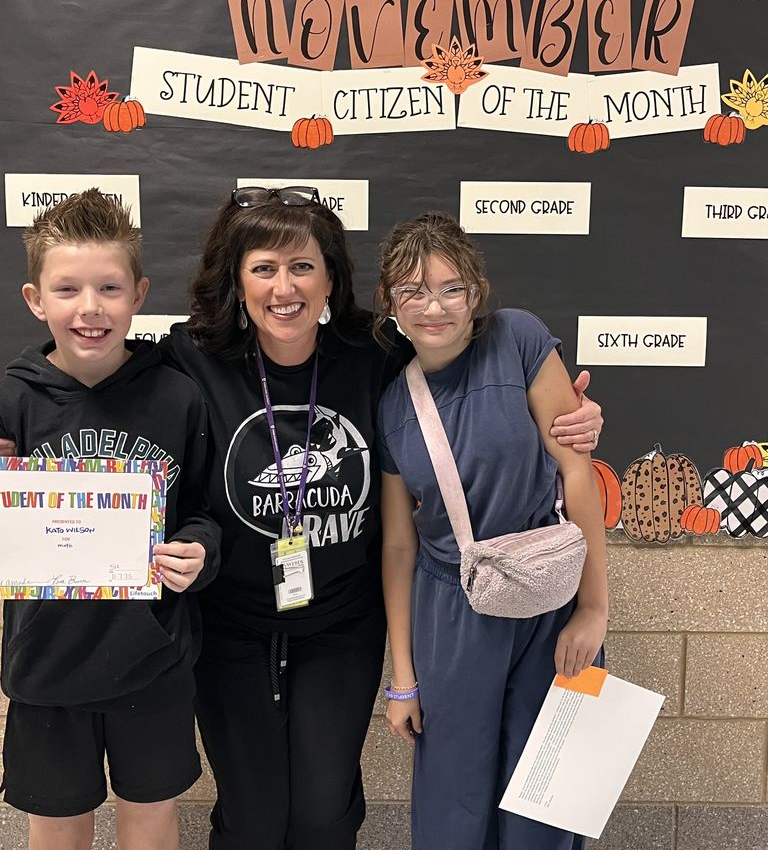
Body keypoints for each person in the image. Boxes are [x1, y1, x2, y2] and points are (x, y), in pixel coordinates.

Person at [154, 185, 605, 850]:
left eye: (303, 266)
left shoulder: (397, 359)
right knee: (269, 814)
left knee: (341, 812)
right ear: (238, 279)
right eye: (264, 268)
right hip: (273, 621)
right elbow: (107, 381)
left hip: (385, 618)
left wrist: (579, 420)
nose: (285, 287)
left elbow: (543, 441)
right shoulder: (196, 360)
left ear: (332, 278)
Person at [375, 211, 608, 850]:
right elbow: (400, 545)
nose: (434, 307)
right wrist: (403, 676)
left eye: (451, 288)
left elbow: (577, 471)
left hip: (553, 599)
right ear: (390, 304)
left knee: (552, 794)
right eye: (413, 291)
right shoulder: (394, 406)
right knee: (453, 794)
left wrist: (594, 610)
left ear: (476, 294)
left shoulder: (520, 338)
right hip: (453, 611)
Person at [0, 190, 221, 850]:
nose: (90, 308)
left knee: (149, 814)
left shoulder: (177, 397)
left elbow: (207, 512)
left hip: (149, 657)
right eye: (68, 289)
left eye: (109, 288)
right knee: (56, 821)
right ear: (36, 299)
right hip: (45, 660)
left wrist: (196, 550)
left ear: (138, 293)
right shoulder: (13, 399)